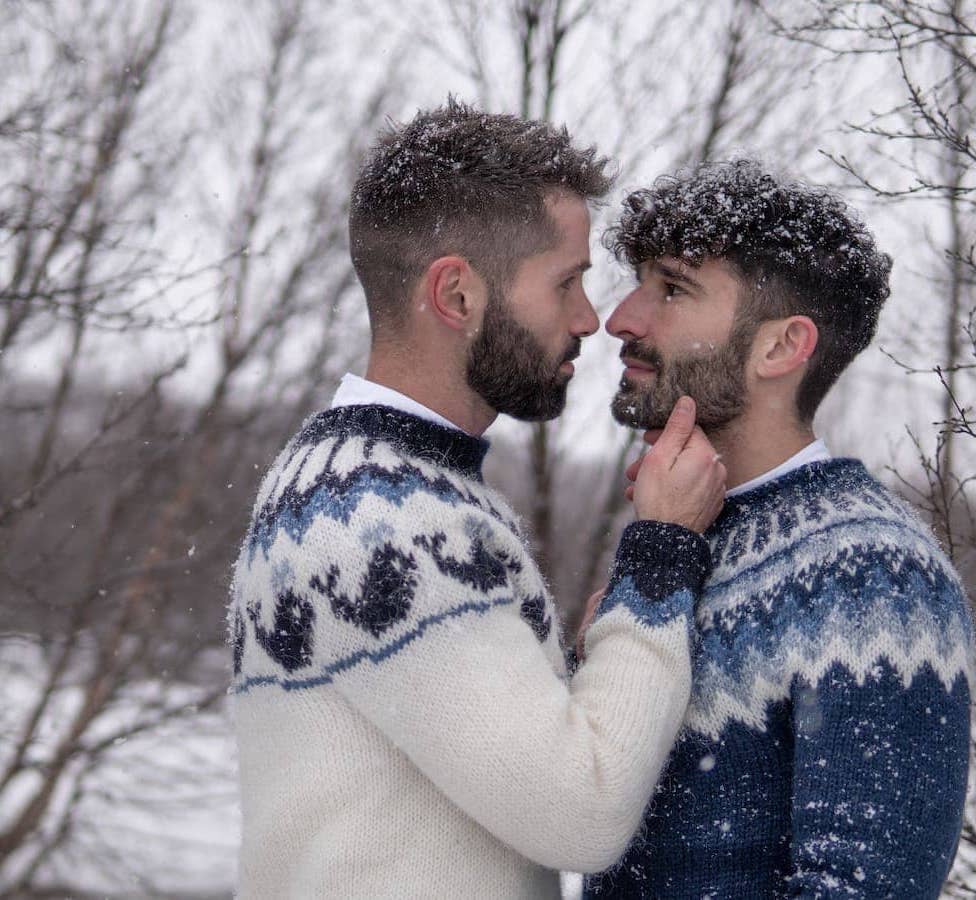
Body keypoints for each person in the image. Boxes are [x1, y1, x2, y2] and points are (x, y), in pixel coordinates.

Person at [226, 100, 726, 899]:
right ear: (456, 295)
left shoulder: (373, 488)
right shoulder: (380, 521)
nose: (590, 319)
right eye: (566, 282)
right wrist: (661, 558)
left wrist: (597, 661)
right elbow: (582, 812)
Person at [581, 160, 974, 898]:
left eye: (671, 289)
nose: (621, 319)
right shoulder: (677, 537)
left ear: (780, 347)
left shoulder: (876, 578)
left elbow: (862, 888)